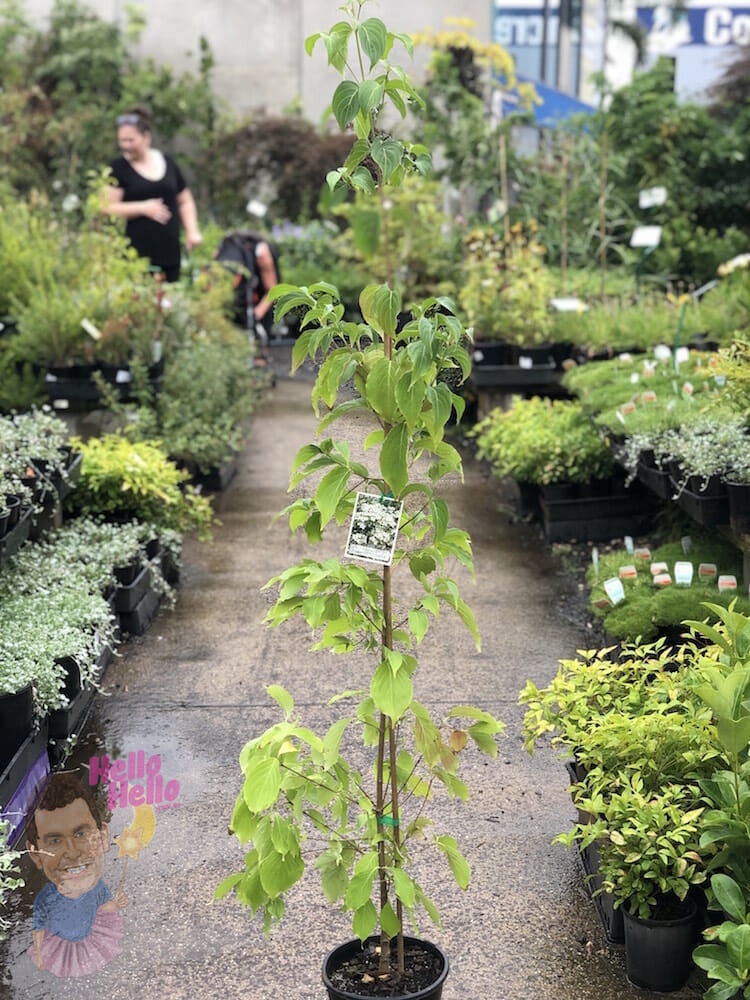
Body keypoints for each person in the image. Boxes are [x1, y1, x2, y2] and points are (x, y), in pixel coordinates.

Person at [25, 772, 127, 977]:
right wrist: (38, 952)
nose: (72, 852)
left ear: (104, 837)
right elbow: (38, 928)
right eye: (55, 841)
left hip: (88, 937)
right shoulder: (46, 898)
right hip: (59, 944)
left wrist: (113, 905)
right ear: (35, 854)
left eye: (81, 834)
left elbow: (102, 910)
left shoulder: (99, 888)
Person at [103, 106, 202, 281]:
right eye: (122, 141)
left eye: (131, 140)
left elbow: (185, 200)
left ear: (146, 137)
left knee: (170, 302)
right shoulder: (118, 169)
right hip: (134, 259)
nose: (126, 146)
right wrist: (142, 208)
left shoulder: (167, 162)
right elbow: (105, 207)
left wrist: (192, 230)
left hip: (170, 255)